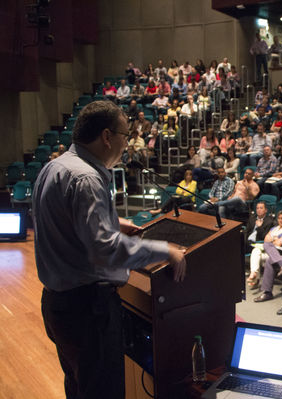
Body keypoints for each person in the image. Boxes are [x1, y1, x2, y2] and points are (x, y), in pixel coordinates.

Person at [32, 100, 186, 399]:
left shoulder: (55, 167)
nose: (126, 144)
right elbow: (104, 250)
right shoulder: (88, 178)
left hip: (57, 304)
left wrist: (112, 221)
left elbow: (63, 222)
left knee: (79, 386)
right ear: (106, 136)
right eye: (125, 136)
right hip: (87, 310)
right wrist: (165, 250)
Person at [247, 211, 282, 288]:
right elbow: (266, 239)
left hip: (276, 254)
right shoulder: (274, 228)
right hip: (267, 251)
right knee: (256, 251)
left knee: (257, 255)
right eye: (279, 218)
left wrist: (272, 239)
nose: (280, 220)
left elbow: (279, 243)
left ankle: (255, 279)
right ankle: (253, 273)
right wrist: (274, 239)